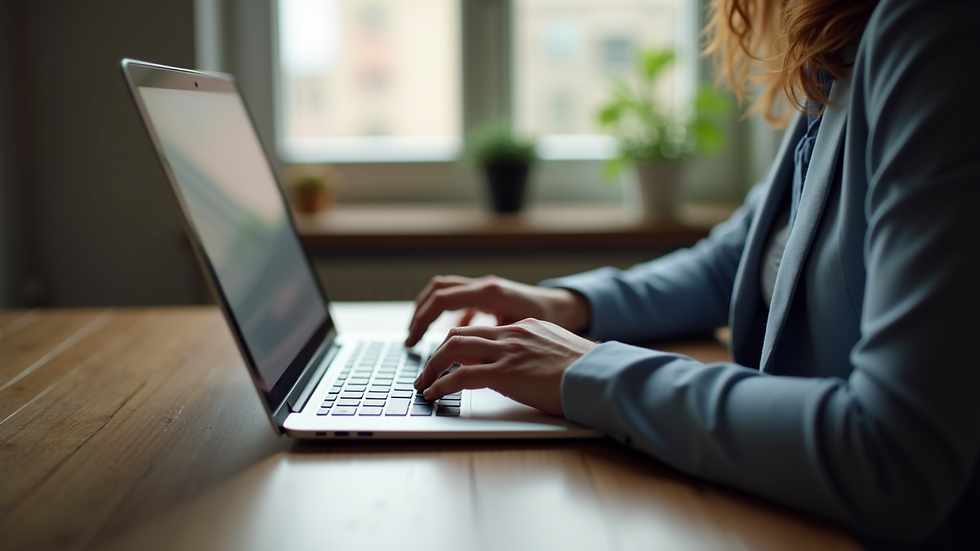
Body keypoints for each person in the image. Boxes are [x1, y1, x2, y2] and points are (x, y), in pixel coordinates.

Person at [408, 0, 980, 548]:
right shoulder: (837, 42)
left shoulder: (930, 30)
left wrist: (588, 370)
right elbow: (736, 260)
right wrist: (568, 305)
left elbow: (896, 455)